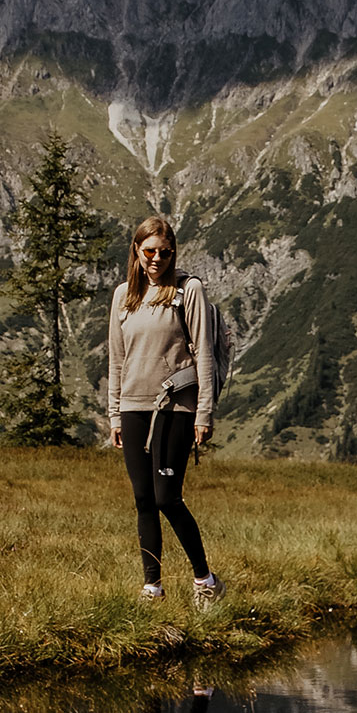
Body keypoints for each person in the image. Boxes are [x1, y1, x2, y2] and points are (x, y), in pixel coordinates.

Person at [108, 215, 224, 607]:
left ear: (173, 252)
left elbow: (204, 352)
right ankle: (152, 588)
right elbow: (116, 359)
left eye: (165, 251)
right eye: (149, 251)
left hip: (174, 407)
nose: (157, 258)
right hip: (132, 408)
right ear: (137, 252)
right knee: (143, 500)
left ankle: (205, 580)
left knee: (166, 498)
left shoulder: (187, 290)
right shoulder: (123, 295)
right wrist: (114, 413)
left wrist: (204, 413)